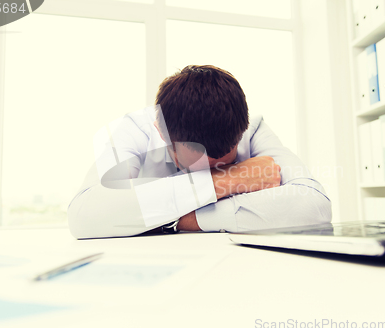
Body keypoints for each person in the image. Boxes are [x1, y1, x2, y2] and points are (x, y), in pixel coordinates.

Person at [68, 65, 331, 239]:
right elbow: (84, 215)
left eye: (225, 164)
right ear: (161, 131)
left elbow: (315, 206)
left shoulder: (253, 127)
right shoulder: (138, 128)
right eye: (199, 165)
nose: (212, 170)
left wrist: (182, 219)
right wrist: (227, 180)